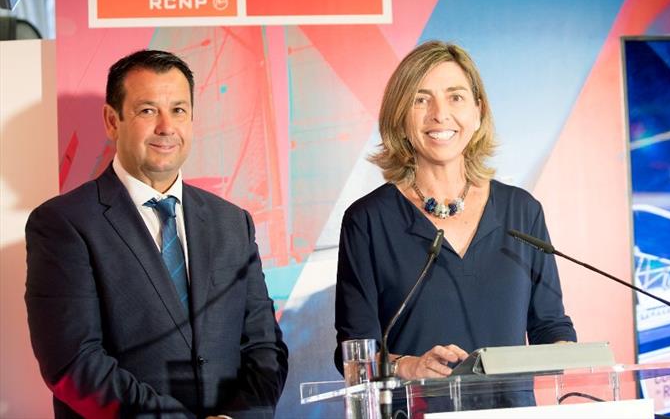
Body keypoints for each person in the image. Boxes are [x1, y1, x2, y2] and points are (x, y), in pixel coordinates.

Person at [25, 50, 289, 418]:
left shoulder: (232, 223)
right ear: (112, 121)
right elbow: (73, 362)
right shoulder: (63, 224)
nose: (166, 127)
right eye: (148, 110)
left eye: (179, 110)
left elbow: (264, 347)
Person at [334, 40, 576, 384]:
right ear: (400, 117)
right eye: (421, 99)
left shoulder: (522, 212)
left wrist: (565, 349)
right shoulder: (368, 220)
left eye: (456, 97)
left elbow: (550, 325)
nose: (440, 114)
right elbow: (354, 355)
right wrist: (408, 366)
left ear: (478, 112)